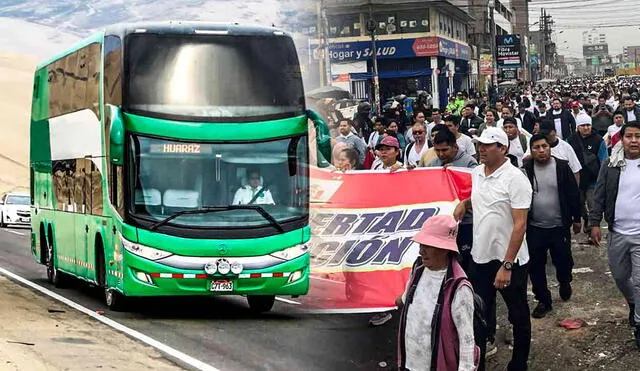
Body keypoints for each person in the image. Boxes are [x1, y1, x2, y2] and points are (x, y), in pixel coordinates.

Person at [454, 127, 532, 371]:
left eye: (488, 145)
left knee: (517, 314)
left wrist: (507, 266)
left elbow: (519, 225)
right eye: (479, 144)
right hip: (480, 258)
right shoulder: (477, 173)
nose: (481, 149)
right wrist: (464, 203)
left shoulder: (516, 178)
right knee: (478, 315)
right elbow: (482, 201)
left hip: (510, 261)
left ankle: (519, 363)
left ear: (503, 149)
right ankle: (477, 363)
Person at [396, 215, 479, 371]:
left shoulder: (459, 288)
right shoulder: (418, 269)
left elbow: (467, 341)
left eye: (428, 246)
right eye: (421, 245)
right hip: (410, 363)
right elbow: (406, 298)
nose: (421, 251)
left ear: (444, 250)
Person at [589, 121, 640, 349]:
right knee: (620, 277)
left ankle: (639, 322)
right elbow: (599, 194)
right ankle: (633, 303)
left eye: (638, 136)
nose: (634, 140)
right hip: (617, 232)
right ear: (622, 139)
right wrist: (594, 223)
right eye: (629, 136)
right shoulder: (611, 164)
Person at [523, 134, 582, 319]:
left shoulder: (562, 167)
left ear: (550, 148)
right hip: (535, 228)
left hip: (559, 226)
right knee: (535, 267)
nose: (541, 151)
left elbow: (573, 193)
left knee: (564, 261)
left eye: (544, 146)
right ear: (531, 151)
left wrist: (577, 218)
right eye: (536, 147)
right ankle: (543, 300)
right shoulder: (525, 169)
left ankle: (564, 281)